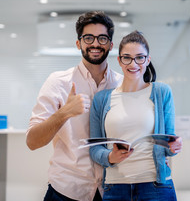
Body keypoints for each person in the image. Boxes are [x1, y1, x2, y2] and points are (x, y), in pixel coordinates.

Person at [26, 11, 123, 201]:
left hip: (113, 190)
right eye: (88, 38)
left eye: (102, 38)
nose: (95, 44)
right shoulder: (58, 82)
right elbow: (32, 141)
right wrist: (65, 113)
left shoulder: (123, 85)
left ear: (111, 45)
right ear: (79, 43)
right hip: (66, 190)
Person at [89, 30, 182, 201]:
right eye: (127, 57)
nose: (133, 64)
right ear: (119, 60)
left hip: (156, 187)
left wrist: (174, 147)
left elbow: (168, 142)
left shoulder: (161, 92)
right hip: (115, 187)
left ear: (148, 59)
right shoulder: (102, 99)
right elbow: (94, 149)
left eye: (140, 57)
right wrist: (110, 157)